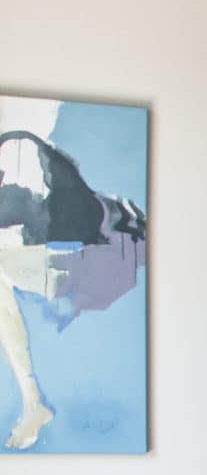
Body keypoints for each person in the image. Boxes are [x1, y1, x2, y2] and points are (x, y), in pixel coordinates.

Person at [0, 126, 146, 451]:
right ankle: (33, 401)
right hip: (79, 256)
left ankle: (33, 401)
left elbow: (45, 218)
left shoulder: (19, 150)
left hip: (96, 258)